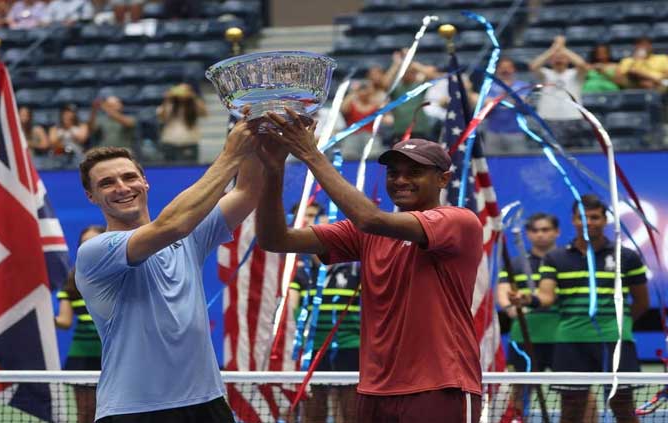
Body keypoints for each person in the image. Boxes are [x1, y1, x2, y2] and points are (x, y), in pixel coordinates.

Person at [255, 108, 484, 422]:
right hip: (374, 390)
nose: (401, 180)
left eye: (414, 172)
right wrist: (273, 172)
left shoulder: (458, 221)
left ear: (443, 178)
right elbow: (274, 240)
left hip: (440, 386)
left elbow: (369, 218)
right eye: (394, 173)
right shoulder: (366, 233)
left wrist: (310, 153)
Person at [74, 118, 261, 422]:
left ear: (145, 181)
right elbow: (173, 225)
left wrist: (257, 136)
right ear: (91, 197)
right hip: (133, 411)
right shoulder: (95, 251)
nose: (122, 188)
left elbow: (248, 192)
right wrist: (230, 154)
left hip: (207, 403)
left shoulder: (187, 238)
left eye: (128, 177)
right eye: (107, 183)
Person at [511, 194, 650, 423]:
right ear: (574, 221)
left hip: (615, 341)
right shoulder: (556, 258)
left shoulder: (627, 256)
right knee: (572, 409)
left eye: (595, 217)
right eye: (582, 217)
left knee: (623, 406)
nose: (589, 222)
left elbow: (641, 302)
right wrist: (527, 299)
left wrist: (619, 324)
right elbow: (546, 296)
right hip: (570, 342)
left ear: (605, 220)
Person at [288, 202, 360, 423]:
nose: (308, 221)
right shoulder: (298, 272)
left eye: (314, 216)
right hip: (314, 349)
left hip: (350, 347)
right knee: (314, 411)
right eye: (304, 217)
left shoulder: (355, 268)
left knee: (350, 411)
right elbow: (291, 307)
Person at [497, 213, 560, 422]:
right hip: (524, 338)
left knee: (577, 394)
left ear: (556, 232)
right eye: (535, 230)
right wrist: (511, 308)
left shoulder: (567, 260)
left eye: (545, 229)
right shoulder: (514, 265)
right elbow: (504, 293)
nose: (540, 234)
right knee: (519, 392)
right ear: (528, 234)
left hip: (562, 338)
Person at [55, 224, 106, 423]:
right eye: (84, 244)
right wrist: (42, 319)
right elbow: (65, 321)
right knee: (86, 413)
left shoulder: (120, 276)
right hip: (82, 357)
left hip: (114, 357)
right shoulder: (71, 284)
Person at [529, 36, 590, 148]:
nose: (559, 60)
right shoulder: (546, 74)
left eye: (562, 58)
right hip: (548, 118)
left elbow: (582, 65)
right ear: (550, 60)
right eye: (556, 58)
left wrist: (563, 48)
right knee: (550, 152)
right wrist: (553, 49)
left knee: (574, 152)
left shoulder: (575, 74)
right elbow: (533, 66)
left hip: (572, 118)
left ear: (568, 60)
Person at [383, 50, 439, 145]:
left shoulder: (419, 87)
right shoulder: (396, 89)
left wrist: (411, 62)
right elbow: (384, 84)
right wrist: (396, 64)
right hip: (400, 130)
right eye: (405, 72)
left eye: (410, 72)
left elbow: (431, 75)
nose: (407, 74)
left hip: (420, 129)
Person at [483, 57, 531, 154]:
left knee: (518, 163)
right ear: (497, 70)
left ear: (513, 69)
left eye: (508, 67)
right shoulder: (488, 86)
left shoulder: (523, 85)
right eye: (502, 67)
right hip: (493, 132)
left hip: (516, 132)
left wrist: (498, 98)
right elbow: (486, 104)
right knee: (492, 163)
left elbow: (524, 101)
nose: (505, 70)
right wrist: (510, 96)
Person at [156, 84, 207, 163]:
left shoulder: (193, 105)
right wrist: (167, 99)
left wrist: (193, 97)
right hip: (170, 143)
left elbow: (204, 113)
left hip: (189, 143)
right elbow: (161, 116)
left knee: (190, 169)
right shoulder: (170, 105)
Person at [340, 80, 389, 160]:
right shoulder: (352, 105)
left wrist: (372, 90)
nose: (364, 93)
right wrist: (353, 91)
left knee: (374, 154)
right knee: (348, 154)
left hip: (371, 136)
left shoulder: (376, 105)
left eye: (366, 90)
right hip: (353, 135)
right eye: (362, 90)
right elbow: (343, 109)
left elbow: (388, 121)